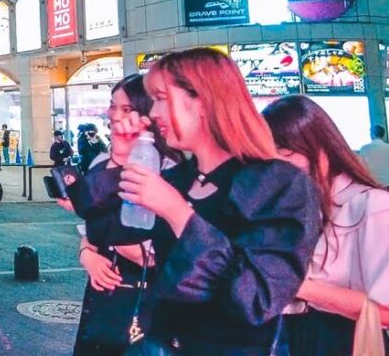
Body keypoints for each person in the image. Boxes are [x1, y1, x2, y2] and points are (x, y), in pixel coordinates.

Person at [116, 48, 321, 355]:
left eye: (161, 98)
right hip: (159, 342)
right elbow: (114, 233)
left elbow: (258, 298)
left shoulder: (278, 183)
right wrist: (121, 155)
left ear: (203, 99)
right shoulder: (178, 178)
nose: (153, 113)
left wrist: (178, 214)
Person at [60, 74, 182, 355]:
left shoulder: (168, 166)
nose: (115, 116)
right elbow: (89, 232)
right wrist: (87, 256)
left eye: (126, 109)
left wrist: (101, 235)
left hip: (148, 298)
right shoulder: (103, 161)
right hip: (105, 294)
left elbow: (149, 254)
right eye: (112, 106)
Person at [261, 96, 389, 354]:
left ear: (321, 150)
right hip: (291, 337)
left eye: (283, 156)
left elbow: (385, 311)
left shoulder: (372, 205)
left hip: (344, 341)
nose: (274, 171)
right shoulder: (291, 209)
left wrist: (296, 286)